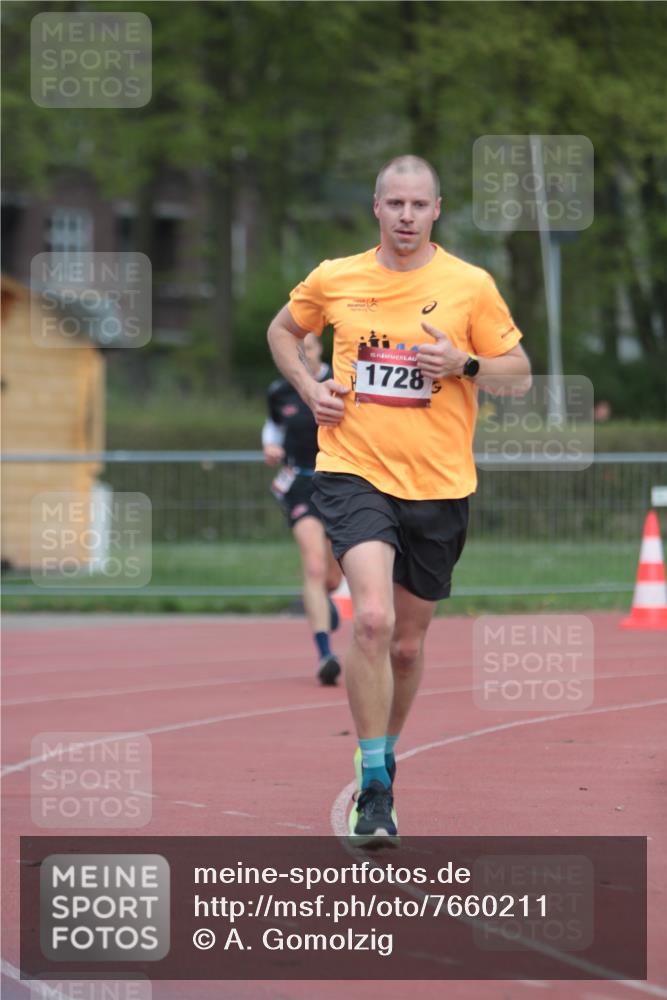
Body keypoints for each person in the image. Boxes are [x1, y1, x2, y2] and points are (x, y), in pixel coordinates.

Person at [267, 154, 532, 846]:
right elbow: (281, 332)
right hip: (353, 469)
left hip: (440, 485)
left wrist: (464, 365)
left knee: (408, 649)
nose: (406, 217)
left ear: (436, 210)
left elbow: (520, 377)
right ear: (376, 208)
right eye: (395, 204)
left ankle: (380, 753)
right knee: (373, 621)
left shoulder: (469, 285)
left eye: (419, 205)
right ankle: (375, 784)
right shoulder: (336, 277)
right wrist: (307, 388)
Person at [262, 332, 343, 685]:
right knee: (312, 565)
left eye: (307, 348)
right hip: (300, 485)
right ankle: (325, 653)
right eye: (295, 350)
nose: (302, 355)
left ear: (320, 348)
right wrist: (270, 447)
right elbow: (274, 426)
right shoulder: (280, 390)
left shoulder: (340, 380)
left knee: (331, 578)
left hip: (340, 483)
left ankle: (325, 606)